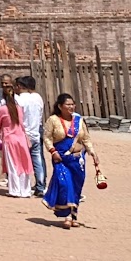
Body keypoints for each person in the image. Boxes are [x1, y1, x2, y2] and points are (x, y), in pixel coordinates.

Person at [42, 92, 100, 229]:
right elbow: (47, 138)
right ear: (60, 106)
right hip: (61, 158)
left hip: (77, 160)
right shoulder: (53, 120)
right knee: (65, 184)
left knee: (76, 187)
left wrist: (93, 153)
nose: (71, 107)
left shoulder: (79, 121)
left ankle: (74, 216)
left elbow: (85, 138)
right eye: (68, 104)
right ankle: (67, 216)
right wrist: (53, 151)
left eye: (72, 104)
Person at [0, 82, 34, 197]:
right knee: (23, 164)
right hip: (21, 138)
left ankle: (15, 190)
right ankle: (25, 190)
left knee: (12, 165)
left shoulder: (2, 109)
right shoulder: (19, 109)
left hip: (9, 139)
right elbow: (22, 123)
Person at [15, 76, 47, 196]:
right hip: (36, 132)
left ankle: (24, 186)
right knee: (38, 160)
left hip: (24, 133)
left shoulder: (19, 99)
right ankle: (41, 185)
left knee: (23, 161)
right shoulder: (37, 98)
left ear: (20, 86)